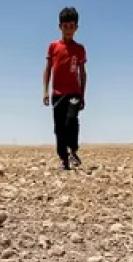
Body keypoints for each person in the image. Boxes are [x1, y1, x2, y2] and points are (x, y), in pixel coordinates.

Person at [43, 7, 87, 170]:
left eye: (72, 26)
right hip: (57, 94)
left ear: (76, 28)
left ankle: (73, 150)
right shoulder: (53, 46)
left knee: (71, 121)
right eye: (65, 25)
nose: (69, 29)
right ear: (60, 26)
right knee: (59, 128)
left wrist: (83, 94)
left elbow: (82, 73)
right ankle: (64, 158)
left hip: (74, 93)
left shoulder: (80, 49)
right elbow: (48, 69)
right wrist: (45, 91)